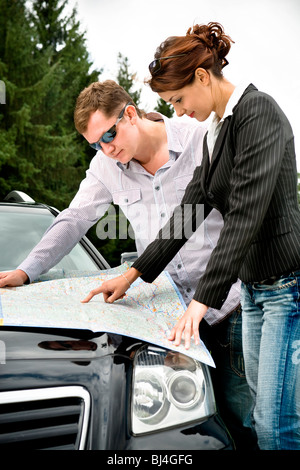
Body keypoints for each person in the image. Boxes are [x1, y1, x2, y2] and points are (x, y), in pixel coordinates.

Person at [0, 79, 255, 449]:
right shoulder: (106, 167)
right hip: (169, 324)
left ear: (130, 114)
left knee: (247, 420)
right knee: (189, 431)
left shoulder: (201, 137)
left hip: (228, 310)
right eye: (94, 144)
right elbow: (73, 220)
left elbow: (243, 213)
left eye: (108, 136)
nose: (105, 149)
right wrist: (26, 270)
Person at [82, 24, 300, 450]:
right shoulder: (218, 130)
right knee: (261, 419)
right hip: (254, 291)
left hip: (285, 290)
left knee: (275, 425)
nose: (178, 113)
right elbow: (192, 209)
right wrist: (132, 275)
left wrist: (200, 302)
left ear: (203, 77)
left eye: (178, 100)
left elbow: (244, 216)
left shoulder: (259, 114)